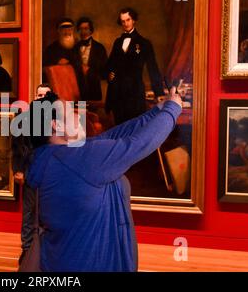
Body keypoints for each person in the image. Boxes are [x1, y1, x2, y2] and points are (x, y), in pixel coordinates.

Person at [19, 87, 182, 272]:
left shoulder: (50, 157)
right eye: (71, 112)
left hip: (61, 260)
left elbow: (113, 136)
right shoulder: (80, 159)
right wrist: (172, 109)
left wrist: (157, 110)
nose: (77, 115)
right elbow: (139, 143)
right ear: (57, 125)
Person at [13, 83, 52, 265]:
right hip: (30, 172)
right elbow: (17, 147)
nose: (41, 98)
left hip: (51, 175)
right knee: (29, 213)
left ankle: (45, 251)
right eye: (39, 95)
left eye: (45, 95)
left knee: (48, 214)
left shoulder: (57, 120)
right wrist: (18, 170)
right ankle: (26, 250)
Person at [105, 7, 165, 125]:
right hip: (117, 92)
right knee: (119, 127)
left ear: (134, 20)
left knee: (134, 127)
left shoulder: (144, 43)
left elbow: (153, 68)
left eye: (128, 20)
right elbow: (110, 64)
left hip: (134, 92)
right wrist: (109, 74)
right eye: (123, 21)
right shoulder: (117, 42)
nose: (125, 23)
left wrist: (159, 92)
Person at [73, 17, 108, 101]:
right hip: (77, 90)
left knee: (92, 113)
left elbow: (105, 70)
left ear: (91, 30)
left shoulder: (99, 48)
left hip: (93, 89)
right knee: (79, 113)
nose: (83, 31)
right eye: (81, 29)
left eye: (86, 28)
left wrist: (90, 72)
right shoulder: (74, 48)